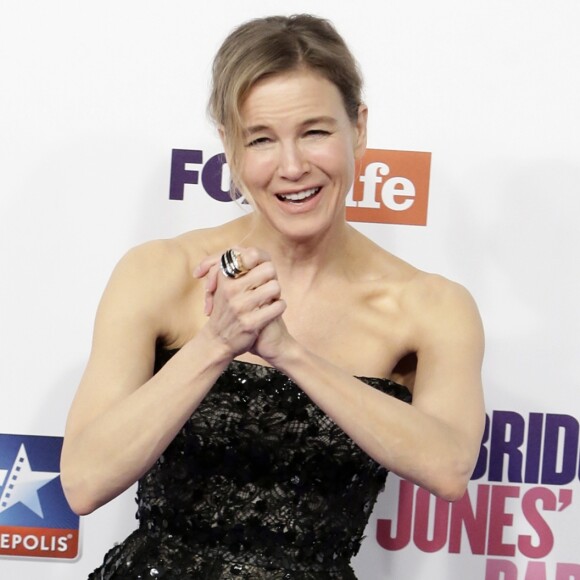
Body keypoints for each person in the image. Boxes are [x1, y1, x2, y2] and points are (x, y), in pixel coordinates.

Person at [60, 13, 485, 580]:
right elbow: (84, 482)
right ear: (230, 148)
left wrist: (289, 352)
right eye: (261, 139)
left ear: (358, 128)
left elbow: (450, 466)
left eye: (315, 132)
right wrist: (216, 343)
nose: (292, 167)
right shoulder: (158, 272)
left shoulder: (428, 307)